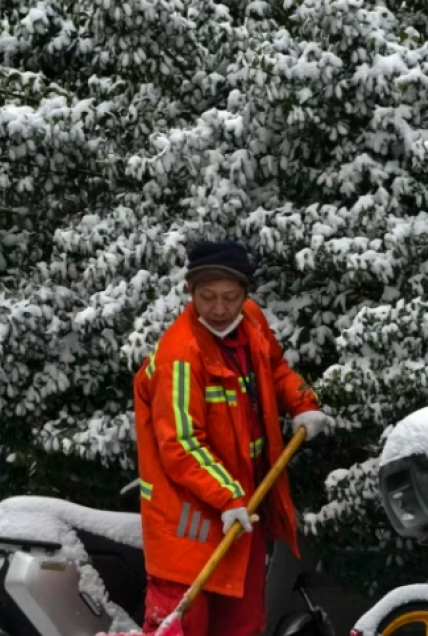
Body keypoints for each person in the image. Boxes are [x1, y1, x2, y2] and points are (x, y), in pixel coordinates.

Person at [133, 239, 333, 636]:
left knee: (242, 626)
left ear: (246, 294)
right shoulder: (181, 355)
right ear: (191, 293)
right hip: (187, 527)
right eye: (208, 297)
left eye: (230, 297)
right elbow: (181, 443)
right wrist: (229, 496)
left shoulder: (251, 321)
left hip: (240, 514)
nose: (220, 309)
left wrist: (301, 403)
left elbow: (273, 366)